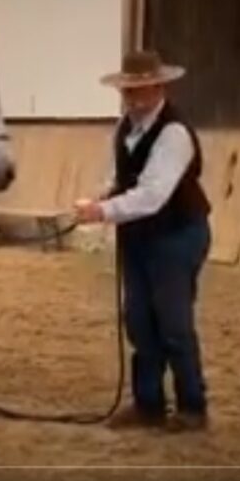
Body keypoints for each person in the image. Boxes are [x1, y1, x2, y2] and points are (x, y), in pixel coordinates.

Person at [73, 50, 212, 433]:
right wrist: (102, 199)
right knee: (138, 320)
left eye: (140, 90)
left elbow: (154, 194)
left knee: (173, 322)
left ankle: (192, 406)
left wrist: (103, 212)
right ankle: (148, 403)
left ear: (159, 87)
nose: (133, 98)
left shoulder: (174, 133)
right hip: (138, 235)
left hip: (177, 233)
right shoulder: (125, 130)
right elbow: (119, 179)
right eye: (128, 91)